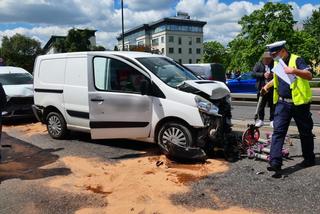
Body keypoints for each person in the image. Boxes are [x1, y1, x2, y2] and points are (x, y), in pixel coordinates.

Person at [262, 41, 315, 176]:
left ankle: (309, 159)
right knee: (278, 132)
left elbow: (309, 75)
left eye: (275, 54)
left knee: (305, 133)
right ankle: (275, 163)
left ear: (283, 51)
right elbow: (279, 78)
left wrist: (294, 71)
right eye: (272, 55)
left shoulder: (296, 59)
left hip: (299, 104)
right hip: (282, 103)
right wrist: (267, 86)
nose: (273, 57)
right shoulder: (277, 63)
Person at [252, 51, 275, 128]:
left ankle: (272, 120)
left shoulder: (274, 64)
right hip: (261, 88)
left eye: (269, 59)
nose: (268, 61)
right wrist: (263, 74)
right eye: (266, 59)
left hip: (272, 88)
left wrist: (272, 75)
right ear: (263, 59)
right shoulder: (258, 64)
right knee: (261, 105)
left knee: (272, 104)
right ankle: (261, 120)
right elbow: (253, 74)